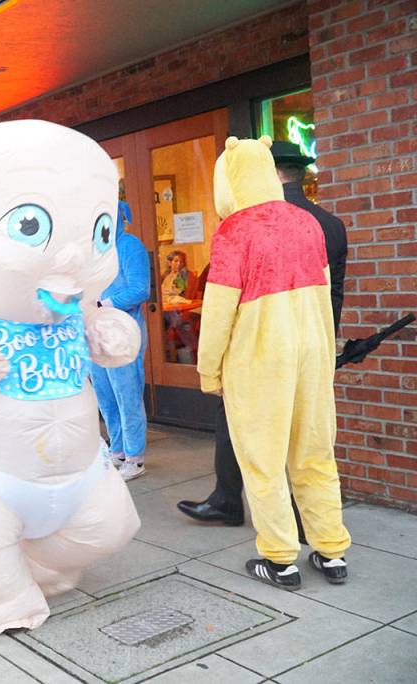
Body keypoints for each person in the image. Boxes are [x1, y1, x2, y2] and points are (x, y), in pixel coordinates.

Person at [194, 136, 349, 590]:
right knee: (315, 453)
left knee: (262, 459)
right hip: (312, 355)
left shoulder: (235, 230)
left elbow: (219, 311)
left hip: (260, 360)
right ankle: (331, 549)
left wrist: (209, 370)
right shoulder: (308, 224)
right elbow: (323, 293)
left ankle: (280, 559)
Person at [90, 201, 151, 481]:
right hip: (98, 332)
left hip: (124, 333)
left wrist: (104, 304)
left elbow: (140, 289)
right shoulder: (95, 252)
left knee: (127, 394)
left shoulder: (130, 246)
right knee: (105, 393)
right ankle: (117, 449)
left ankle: (135, 456)